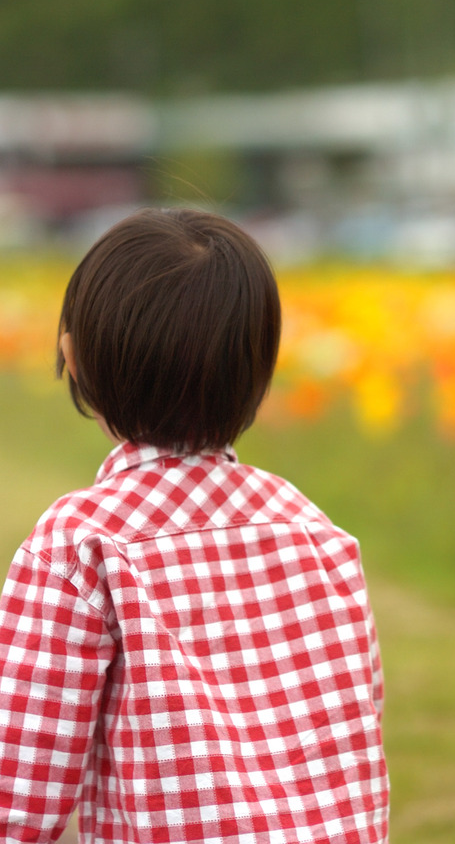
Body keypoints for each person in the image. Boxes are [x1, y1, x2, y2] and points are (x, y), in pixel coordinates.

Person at [0, 208, 389, 844]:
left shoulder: (81, 543)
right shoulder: (316, 531)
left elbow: (19, 787)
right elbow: (356, 721)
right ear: (258, 369)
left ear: (76, 358)